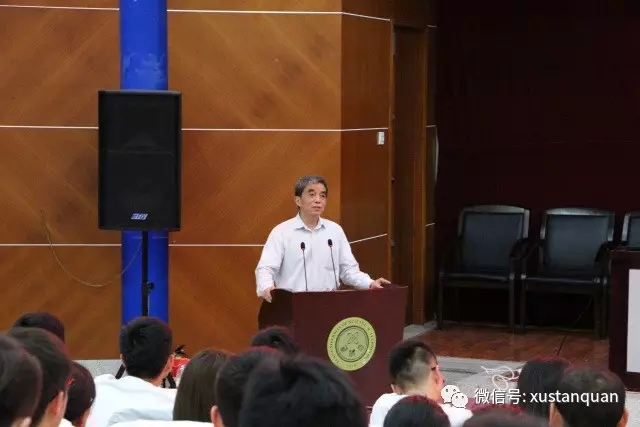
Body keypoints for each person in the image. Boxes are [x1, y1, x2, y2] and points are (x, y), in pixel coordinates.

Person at [255, 175, 390, 302]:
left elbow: (348, 270)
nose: (318, 200)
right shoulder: (281, 232)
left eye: (322, 195)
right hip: (293, 305)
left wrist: (370, 283)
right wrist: (267, 287)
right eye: (312, 194)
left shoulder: (335, 231)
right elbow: (266, 268)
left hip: (329, 304)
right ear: (298, 200)